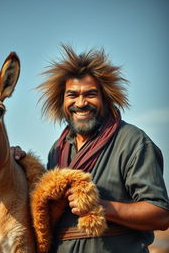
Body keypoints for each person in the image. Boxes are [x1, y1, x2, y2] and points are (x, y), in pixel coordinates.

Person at [13, 45, 169, 253]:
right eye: (72, 95)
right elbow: (43, 210)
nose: (81, 102)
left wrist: (102, 207)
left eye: (91, 94)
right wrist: (18, 165)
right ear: (62, 101)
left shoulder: (132, 141)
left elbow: (160, 215)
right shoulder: (57, 150)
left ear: (105, 98)